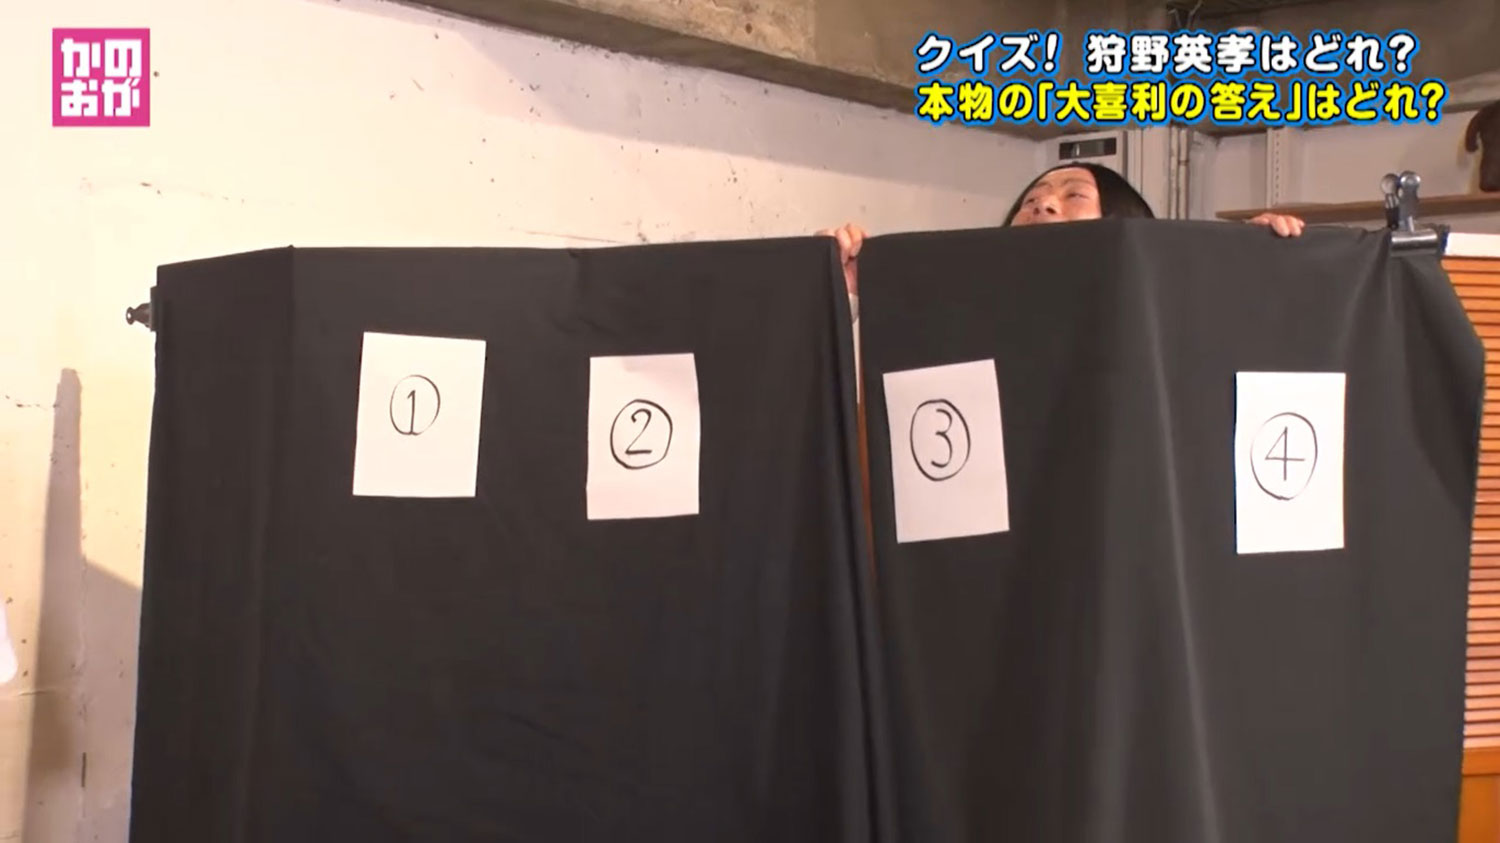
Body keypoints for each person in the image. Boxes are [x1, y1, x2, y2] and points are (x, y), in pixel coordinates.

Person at [820, 162, 1307, 299]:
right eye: (1030, 201)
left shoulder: (1161, 304)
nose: (1043, 204)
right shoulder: (970, 303)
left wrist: (1255, 263)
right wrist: (843, 292)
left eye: (1074, 196)